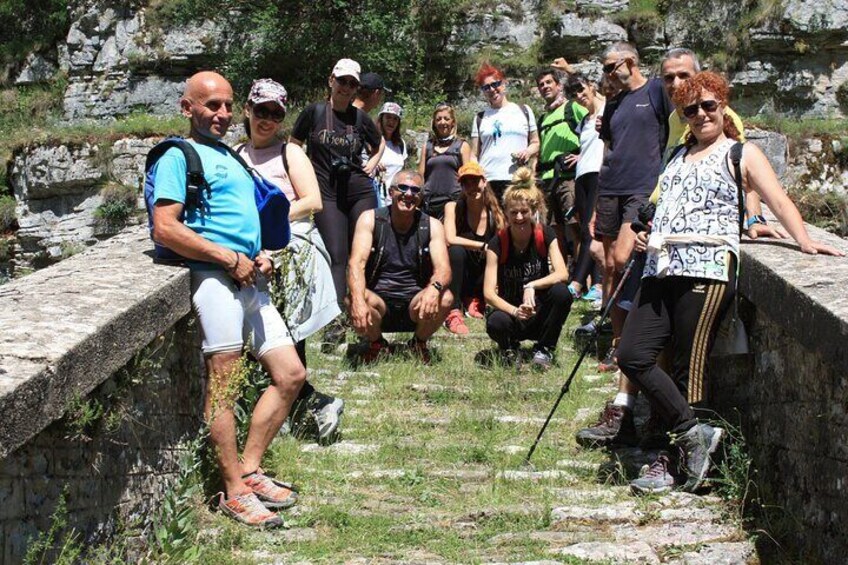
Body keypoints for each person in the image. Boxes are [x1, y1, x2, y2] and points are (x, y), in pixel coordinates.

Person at [622, 71, 843, 495]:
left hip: (708, 266)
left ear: (723, 106)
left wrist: (806, 241)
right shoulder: (676, 158)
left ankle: (675, 460)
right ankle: (692, 433)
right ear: (684, 117)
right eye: (691, 109)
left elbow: (777, 198)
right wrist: (648, 233)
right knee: (632, 354)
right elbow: (664, 206)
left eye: (709, 105)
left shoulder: (741, 153)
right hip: (661, 265)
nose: (702, 114)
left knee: (692, 368)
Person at [151, 71, 302, 528]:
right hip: (215, 280)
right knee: (226, 383)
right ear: (187, 108)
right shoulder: (180, 155)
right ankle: (232, 489)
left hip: (249, 277)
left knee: (291, 374)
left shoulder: (230, 157)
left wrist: (259, 254)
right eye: (210, 105)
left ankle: (250, 469)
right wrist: (226, 257)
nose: (221, 114)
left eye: (226, 105)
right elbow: (166, 226)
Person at [574, 42, 672, 448]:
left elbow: (671, 135)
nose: (606, 74)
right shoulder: (613, 105)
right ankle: (617, 344)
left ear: (629, 62)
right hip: (611, 188)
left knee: (622, 258)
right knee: (608, 265)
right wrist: (598, 203)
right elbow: (609, 150)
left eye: (611, 66)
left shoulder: (654, 93)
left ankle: (627, 348)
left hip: (640, 188)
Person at [236, 78, 344, 443]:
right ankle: (310, 406)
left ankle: (297, 410)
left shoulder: (290, 154)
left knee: (286, 334)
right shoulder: (236, 154)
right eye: (261, 111)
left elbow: (312, 201)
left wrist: (267, 223)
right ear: (247, 110)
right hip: (252, 252)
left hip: (288, 251)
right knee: (265, 336)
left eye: (275, 113)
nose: (267, 119)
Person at [291, 59, 383, 344]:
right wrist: (301, 174)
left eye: (352, 83)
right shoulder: (314, 112)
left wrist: (373, 164)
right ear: (331, 80)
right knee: (337, 254)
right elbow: (294, 144)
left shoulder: (359, 118)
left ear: (357, 88)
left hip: (358, 189)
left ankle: (369, 309)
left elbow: (378, 144)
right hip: (325, 191)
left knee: (365, 251)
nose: (346, 87)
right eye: (341, 81)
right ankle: (337, 321)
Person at [347, 170, 453, 364]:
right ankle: (377, 344)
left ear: (421, 197)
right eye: (402, 188)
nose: (409, 194)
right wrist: (358, 302)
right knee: (352, 297)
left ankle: (418, 343)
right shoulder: (370, 219)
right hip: (379, 302)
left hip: (416, 303)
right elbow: (356, 263)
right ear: (391, 192)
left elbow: (444, 269)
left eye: (415, 190)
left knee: (445, 298)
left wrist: (433, 289)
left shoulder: (432, 225)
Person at [483, 167, 574, 370]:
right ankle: (508, 347)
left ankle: (545, 347)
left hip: (539, 311)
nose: (519, 217)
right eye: (513, 212)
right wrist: (515, 311)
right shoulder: (497, 243)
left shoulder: (545, 234)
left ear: (534, 211)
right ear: (506, 212)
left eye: (524, 212)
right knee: (495, 322)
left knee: (562, 293)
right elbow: (488, 293)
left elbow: (562, 273)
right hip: (511, 312)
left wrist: (531, 285)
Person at [443, 161, 506, 335]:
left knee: (496, 254)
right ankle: (453, 310)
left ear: (484, 182)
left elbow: (504, 243)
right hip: (460, 272)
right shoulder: (453, 207)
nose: (472, 187)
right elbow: (450, 237)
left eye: (475, 181)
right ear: (461, 187)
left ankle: (477, 299)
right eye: (466, 183)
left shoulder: (496, 211)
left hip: (484, 273)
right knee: (455, 250)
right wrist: (483, 246)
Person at [535, 68, 588, 263]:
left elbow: (593, 125)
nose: (545, 87)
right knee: (554, 231)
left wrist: (583, 155)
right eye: (541, 84)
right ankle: (562, 275)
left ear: (558, 85)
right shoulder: (543, 118)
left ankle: (582, 280)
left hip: (568, 178)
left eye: (549, 82)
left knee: (576, 227)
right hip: (548, 181)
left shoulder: (572, 107)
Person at [563, 74, 606, 302]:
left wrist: (570, 70)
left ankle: (578, 283)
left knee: (593, 228)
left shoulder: (607, 108)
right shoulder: (585, 121)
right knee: (585, 230)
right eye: (575, 94)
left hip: (600, 174)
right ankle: (595, 284)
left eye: (582, 90)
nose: (580, 97)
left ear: (591, 86)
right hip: (582, 176)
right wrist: (579, 156)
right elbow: (591, 145)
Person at [470, 62, 540, 201]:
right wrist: (476, 176)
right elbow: (474, 154)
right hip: (489, 180)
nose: (492, 89)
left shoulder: (523, 110)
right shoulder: (480, 118)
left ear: (504, 84)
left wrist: (527, 152)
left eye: (495, 84)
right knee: (493, 222)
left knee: (518, 220)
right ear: (483, 92)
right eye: (486, 87)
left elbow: (535, 143)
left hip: (518, 179)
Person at [418, 102, 472, 220]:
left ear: (453, 122)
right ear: (434, 123)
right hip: (430, 202)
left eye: (446, 119)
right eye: (438, 119)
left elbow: (468, 176)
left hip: (453, 201)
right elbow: (421, 176)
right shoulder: (427, 146)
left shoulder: (462, 145)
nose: (442, 122)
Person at [375, 102, 408, 207]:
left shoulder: (400, 144)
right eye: (388, 117)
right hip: (375, 196)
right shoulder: (372, 140)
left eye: (395, 119)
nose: (391, 122)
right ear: (381, 119)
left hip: (395, 199)